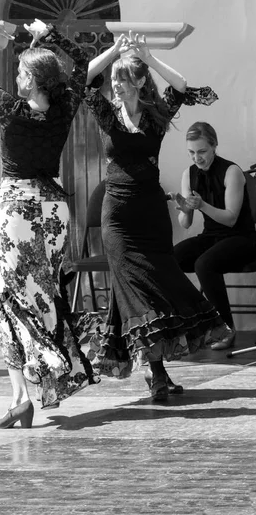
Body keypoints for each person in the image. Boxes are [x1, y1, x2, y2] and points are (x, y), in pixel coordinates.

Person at [0, 18, 98, 428]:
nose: (17, 77)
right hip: (55, 208)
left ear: (33, 80)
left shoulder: (11, 109)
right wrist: (53, 33)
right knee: (42, 293)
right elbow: (85, 61)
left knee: (8, 297)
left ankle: (30, 386)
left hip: (19, 208)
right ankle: (33, 386)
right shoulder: (64, 107)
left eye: (22, 72)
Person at [84, 31, 230, 401]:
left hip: (150, 213)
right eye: (114, 79)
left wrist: (147, 58)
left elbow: (180, 87)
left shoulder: (154, 118)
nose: (116, 85)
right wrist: (115, 51)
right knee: (133, 289)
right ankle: (158, 372)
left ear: (138, 83)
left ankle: (158, 372)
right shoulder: (105, 113)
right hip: (117, 216)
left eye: (123, 79)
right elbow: (85, 77)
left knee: (159, 284)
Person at [173, 122, 256, 349]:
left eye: (202, 152)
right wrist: (185, 209)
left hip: (242, 239)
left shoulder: (232, 172)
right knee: (171, 259)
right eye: (191, 152)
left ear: (214, 146)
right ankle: (194, 322)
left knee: (204, 264)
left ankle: (225, 328)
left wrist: (202, 205)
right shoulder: (188, 174)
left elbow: (230, 219)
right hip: (211, 236)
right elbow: (186, 223)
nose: (196, 158)